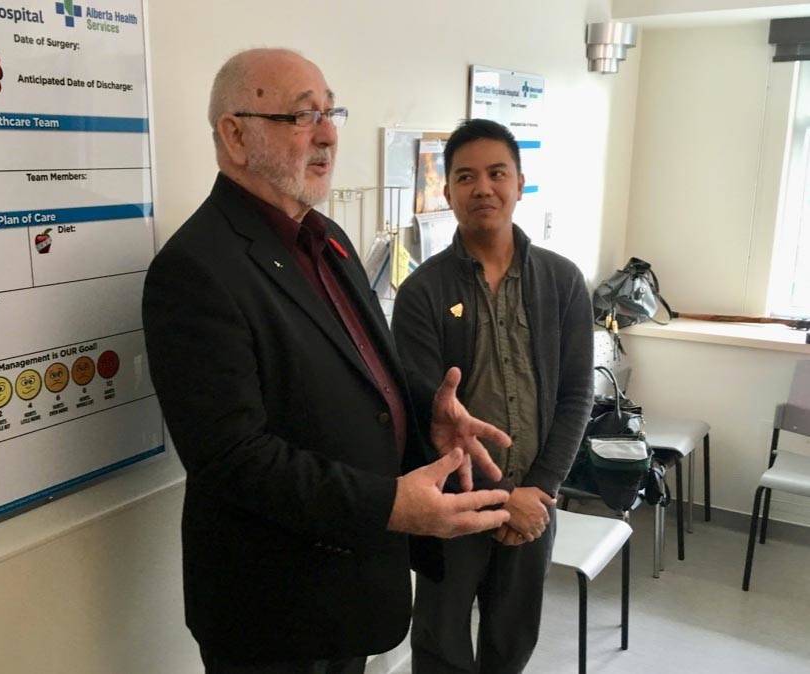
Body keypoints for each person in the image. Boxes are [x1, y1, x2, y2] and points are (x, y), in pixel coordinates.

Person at [142, 50, 514, 674]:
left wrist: (428, 411)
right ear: (234, 135)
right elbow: (230, 456)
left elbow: (360, 369)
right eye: (302, 115)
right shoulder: (195, 269)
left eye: (330, 110)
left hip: (351, 587)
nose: (328, 133)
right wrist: (388, 506)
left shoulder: (328, 238)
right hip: (273, 608)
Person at [392, 119, 594, 674]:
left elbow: (577, 394)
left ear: (520, 182)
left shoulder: (562, 282)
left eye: (496, 173)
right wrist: (505, 498)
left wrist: (538, 491)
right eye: (465, 176)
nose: (483, 187)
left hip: (535, 501)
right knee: (441, 645)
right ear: (447, 192)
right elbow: (422, 412)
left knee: (512, 644)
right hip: (452, 506)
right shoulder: (422, 293)